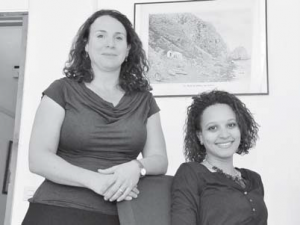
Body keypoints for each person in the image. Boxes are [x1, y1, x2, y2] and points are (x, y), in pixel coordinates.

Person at [22, 9, 168, 225]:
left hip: (122, 213)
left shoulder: (144, 100)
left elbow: (159, 160)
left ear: (128, 49)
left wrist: (138, 167)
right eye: (101, 35)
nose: (110, 43)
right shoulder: (61, 90)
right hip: (56, 209)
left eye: (119, 38)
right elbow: (38, 158)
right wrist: (95, 181)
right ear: (87, 46)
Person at [171, 90, 268, 225]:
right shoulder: (191, 173)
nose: (224, 134)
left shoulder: (253, 179)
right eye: (213, 128)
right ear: (200, 136)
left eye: (231, 125)